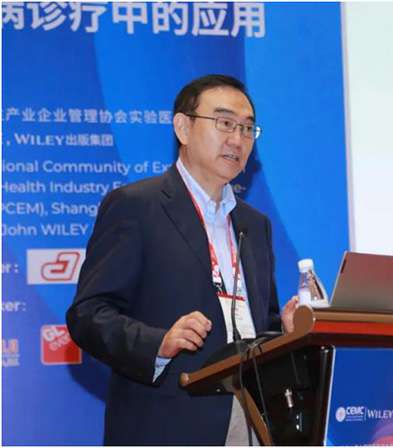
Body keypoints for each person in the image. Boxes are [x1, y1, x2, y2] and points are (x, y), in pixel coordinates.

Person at [67, 74, 299, 445]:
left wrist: (288, 334)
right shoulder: (136, 207)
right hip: (168, 423)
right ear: (183, 128)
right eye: (224, 123)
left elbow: (257, 326)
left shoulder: (255, 225)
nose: (237, 139)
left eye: (247, 128)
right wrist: (157, 343)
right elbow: (88, 315)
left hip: (251, 420)